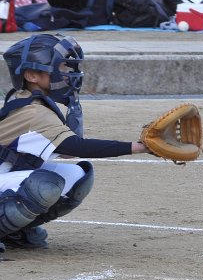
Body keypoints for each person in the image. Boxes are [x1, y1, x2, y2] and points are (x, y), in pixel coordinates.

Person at [0, 34, 150, 254]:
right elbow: (75, 147)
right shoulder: (33, 111)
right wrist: (138, 147)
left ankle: (14, 230)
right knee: (45, 184)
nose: (68, 73)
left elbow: (68, 154)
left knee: (77, 177)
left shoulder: (35, 101)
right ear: (31, 75)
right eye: (60, 67)